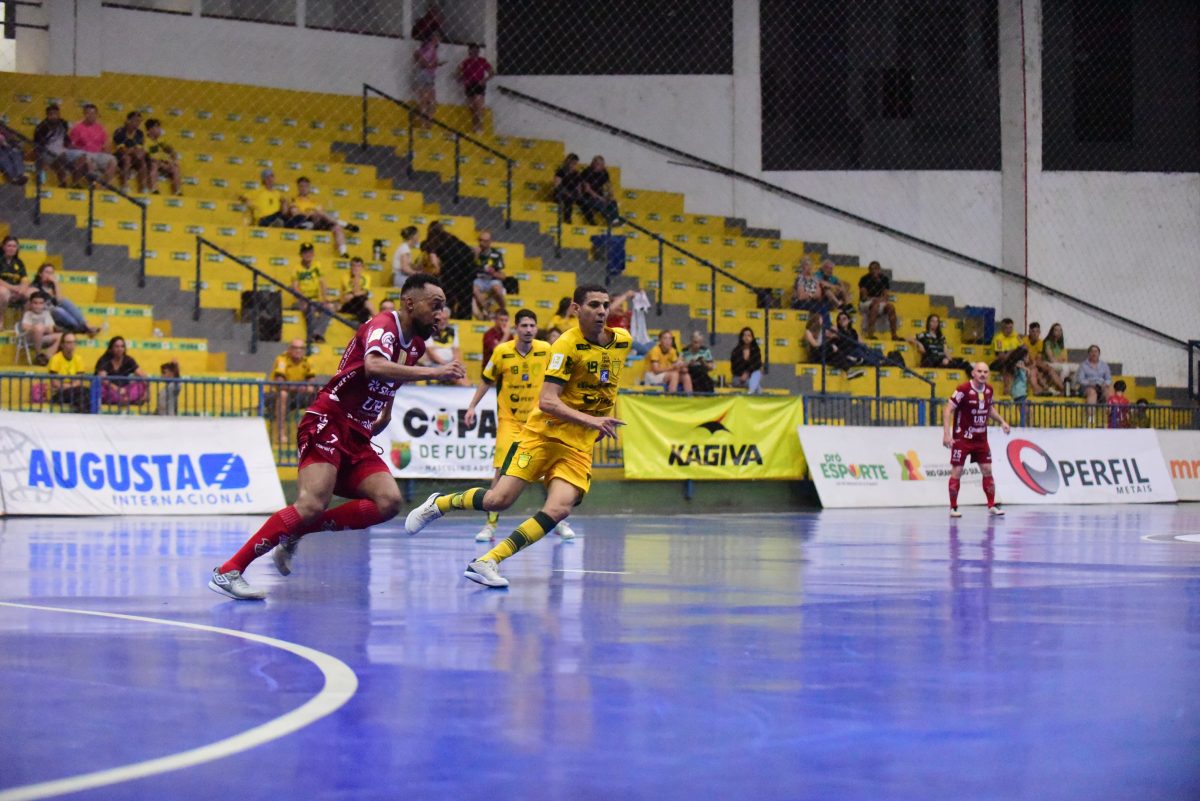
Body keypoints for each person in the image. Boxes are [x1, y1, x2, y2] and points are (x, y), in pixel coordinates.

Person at [209, 274, 465, 600]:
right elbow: (374, 366)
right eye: (436, 306)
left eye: (444, 309)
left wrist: (384, 411)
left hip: (358, 433)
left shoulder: (415, 345)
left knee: (388, 502)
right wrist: (436, 372)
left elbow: (388, 380)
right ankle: (229, 570)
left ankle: (295, 531)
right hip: (329, 420)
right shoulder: (384, 325)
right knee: (312, 504)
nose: (441, 315)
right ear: (410, 303)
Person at [404, 285, 628, 588]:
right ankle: (440, 504)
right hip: (542, 434)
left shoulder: (621, 342)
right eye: (593, 305)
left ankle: (488, 560)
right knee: (499, 499)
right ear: (576, 310)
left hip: (578, 445)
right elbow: (548, 400)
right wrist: (593, 420)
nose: (601, 311)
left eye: (605, 305)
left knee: (560, 508)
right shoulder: (565, 346)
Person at [464, 309, 575, 543]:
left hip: (538, 421)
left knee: (552, 469)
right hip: (510, 421)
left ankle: (558, 519)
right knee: (501, 471)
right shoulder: (502, 352)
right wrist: (472, 406)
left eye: (532, 326)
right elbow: (486, 381)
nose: (528, 330)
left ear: (536, 328)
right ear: (515, 329)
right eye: (523, 326)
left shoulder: (546, 350)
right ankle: (490, 525)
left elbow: (562, 377)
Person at [943, 362, 1011, 517]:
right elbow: (948, 409)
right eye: (979, 371)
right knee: (957, 471)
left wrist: (1002, 422)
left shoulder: (989, 390)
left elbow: (989, 408)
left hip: (981, 439)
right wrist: (947, 434)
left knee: (987, 470)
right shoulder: (963, 390)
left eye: (985, 372)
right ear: (973, 373)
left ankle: (991, 505)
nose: (982, 374)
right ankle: (953, 508)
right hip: (963, 438)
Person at [266, 338, 318, 449]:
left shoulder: (307, 361)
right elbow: (281, 384)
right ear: (289, 349)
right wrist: (302, 387)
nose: (298, 351)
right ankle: (281, 433)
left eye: (301, 348)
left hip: (296, 395)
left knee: (316, 395)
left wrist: (308, 388)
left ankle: (309, 433)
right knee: (283, 394)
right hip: (274, 396)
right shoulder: (282, 360)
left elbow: (312, 383)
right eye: (295, 348)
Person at [289, 176, 357, 257]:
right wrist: (310, 213)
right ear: (298, 187)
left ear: (309, 187)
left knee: (337, 228)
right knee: (318, 212)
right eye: (301, 186)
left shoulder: (314, 201)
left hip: (319, 222)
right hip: (306, 222)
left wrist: (314, 212)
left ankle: (343, 253)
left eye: (306, 186)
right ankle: (346, 224)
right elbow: (294, 213)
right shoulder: (294, 200)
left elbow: (323, 214)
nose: (304, 188)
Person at [423, 220, 475, 318]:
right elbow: (470, 251)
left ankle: (446, 315)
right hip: (468, 265)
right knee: (465, 298)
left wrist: (435, 273)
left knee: (448, 293)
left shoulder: (432, 241)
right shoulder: (450, 237)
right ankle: (464, 319)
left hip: (452, 267)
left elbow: (434, 262)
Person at [32, 262, 100, 335]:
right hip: (46, 313)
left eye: (51, 273)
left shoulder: (53, 286)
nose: (49, 275)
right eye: (47, 272)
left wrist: (56, 283)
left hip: (59, 315)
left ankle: (86, 325)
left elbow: (59, 300)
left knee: (65, 301)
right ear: (40, 274)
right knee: (58, 310)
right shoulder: (35, 287)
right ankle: (82, 329)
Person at [291, 243, 335, 343]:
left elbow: (323, 283)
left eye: (310, 252)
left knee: (330, 308)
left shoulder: (317, 265)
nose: (308, 255)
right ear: (301, 254)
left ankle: (317, 333)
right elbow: (295, 287)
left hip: (315, 299)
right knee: (309, 307)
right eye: (305, 253)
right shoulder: (296, 268)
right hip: (301, 300)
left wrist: (325, 298)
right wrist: (302, 298)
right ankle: (313, 336)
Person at [67, 104, 118, 185]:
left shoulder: (100, 128)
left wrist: (106, 152)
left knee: (112, 160)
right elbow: (71, 145)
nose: (91, 116)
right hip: (83, 153)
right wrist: (83, 150)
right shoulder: (77, 128)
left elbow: (105, 145)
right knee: (87, 159)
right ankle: (89, 185)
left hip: (98, 154)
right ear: (84, 114)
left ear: (97, 115)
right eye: (88, 113)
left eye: (93, 113)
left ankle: (106, 187)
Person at [33, 104, 82, 187]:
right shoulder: (41, 127)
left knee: (81, 155)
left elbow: (65, 138)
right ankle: (62, 183)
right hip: (47, 152)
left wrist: (72, 146)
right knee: (59, 162)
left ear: (59, 114)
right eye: (51, 114)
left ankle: (75, 184)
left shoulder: (63, 124)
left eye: (56, 114)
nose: (54, 116)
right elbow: (37, 145)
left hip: (62, 150)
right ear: (47, 115)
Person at [95, 335, 148, 406]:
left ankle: (125, 399)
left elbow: (143, 375)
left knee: (140, 385)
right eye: (116, 346)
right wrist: (117, 389)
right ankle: (125, 399)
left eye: (122, 346)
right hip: (111, 389)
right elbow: (103, 379)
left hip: (125, 390)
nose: (120, 349)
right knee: (101, 388)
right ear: (111, 348)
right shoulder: (104, 360)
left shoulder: (128, 360)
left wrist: (146, 392)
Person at [46, 332, 90, 414]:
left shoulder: (78, 359)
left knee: (86, 392)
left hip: (74, 391)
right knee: (83, 392)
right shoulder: (55, 359)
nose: (71, 345)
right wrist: (72, 386)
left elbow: (79, 381)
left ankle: (81, 412)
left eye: (73, 342)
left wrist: (69, 386)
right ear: (62, 344)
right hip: (58, 393)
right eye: (69, 342)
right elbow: (55, 383)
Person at [457, 44, 495, 133]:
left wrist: (484, 80)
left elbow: (492, 73)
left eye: (477, 51)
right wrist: (462, 78)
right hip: (469, 85)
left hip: (478, 84)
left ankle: (480, 128)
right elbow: (458, 76)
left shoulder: (482, 61)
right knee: (472, 108)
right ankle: (475, 128)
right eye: (473, 50)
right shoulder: (465, 62)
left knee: (478, 106)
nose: (475, 52)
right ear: (469, 51)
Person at [421, 318, 471, 386]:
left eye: (445, 319)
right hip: (434, 365)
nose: (442, 321)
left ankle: (468, 388)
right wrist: (447, 365)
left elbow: (456, 352)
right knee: (455, 374)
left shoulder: (452, 331)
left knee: (460, 371)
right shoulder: (430, 330)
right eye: (440, 320)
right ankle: (468, 390)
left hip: (449, 364)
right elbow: (431, 354)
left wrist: (455, 364)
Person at [412, 30, 446, 129]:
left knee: (430, 101)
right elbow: (423, 62)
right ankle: (425, 125)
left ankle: (427, 124)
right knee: (427, 100)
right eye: (437, 37)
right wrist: (436, 64)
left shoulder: (429, 47)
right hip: (425, 74)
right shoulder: (430, 47)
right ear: (433, 38)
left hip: (427, 75)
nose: (438, 40)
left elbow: (419, 57)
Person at [858, 260, 899, 341]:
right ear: (869, 270)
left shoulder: (884, 279)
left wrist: (878, 300)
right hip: (865, 303)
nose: (874, 271)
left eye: (876, 269)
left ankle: (894, 335)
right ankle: (870, 334)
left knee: (891, 307)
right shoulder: (864, 279)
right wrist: (875, 299)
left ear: (879, 270)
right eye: (872, 269)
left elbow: (886, 297)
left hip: (879, 301)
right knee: (875, 306)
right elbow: (864, 297)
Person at [20, 291, 61, 366]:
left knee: (62, 336)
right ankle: (38, 355)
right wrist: (38, 328)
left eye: (40, 303)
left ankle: (46, 356)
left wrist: (42, 328)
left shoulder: (46, 313)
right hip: (31, 339)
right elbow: (24, 326)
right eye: (35, 303)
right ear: (31, 304)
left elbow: (51, 329)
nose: (38, 306)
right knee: (39, 328)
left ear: (44, 304)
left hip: (43, 338)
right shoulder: (28, 314)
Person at [472, 229, 507, 318]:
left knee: (496, 288)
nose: (481, 243)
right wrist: (475, 256)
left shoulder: (496, 254)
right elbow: (468, 270)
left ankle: (504, 310)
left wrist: (493, 273)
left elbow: (503, 276)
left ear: (490, 242)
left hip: (492, 279)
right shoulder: (474, 252)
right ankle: (487, 310)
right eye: (480, 240)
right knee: (473, 288)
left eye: (485, 241)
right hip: (479, 279)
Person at [644, 330, 690, 394]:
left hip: (665, 374)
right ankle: (671, 399)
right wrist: (672, 367)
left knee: (686, 376)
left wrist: (683, 366)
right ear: (660, 340)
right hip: (652, 375)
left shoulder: (672, 351)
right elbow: (656, 370)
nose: (668, 341)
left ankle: (689, 399)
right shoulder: (655, 350)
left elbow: (676, 367)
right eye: (665, 338)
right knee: (674, 375)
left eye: (670, 338)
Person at [112, 111, 148, 193]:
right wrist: (133, 150)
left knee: (142, 161)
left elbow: (140, 150)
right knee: (127, 158)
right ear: (128, 121)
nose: (138, 123)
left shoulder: (140, 133)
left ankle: (143, 187)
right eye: (135, 120)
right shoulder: (119, 131)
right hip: (120, 156)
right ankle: (124, 185)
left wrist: (133, 150)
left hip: (134, 156)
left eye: (139, 121)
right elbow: (121, 150)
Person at [143, 118, 182, 195]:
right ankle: (154, 189)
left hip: (164, 163)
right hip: (154, 163)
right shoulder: (146, 141)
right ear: (150, 129)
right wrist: (160, 162)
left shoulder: (162, 140)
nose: (160, 129)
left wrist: (173, 160)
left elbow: (171, 151)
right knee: (154, 165)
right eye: (157, 127)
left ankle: (177, 191)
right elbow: (147, 156)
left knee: (175, 168)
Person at [989, 318, 1027, 396]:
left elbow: (1024, 349)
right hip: (998, 362)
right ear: (1002, 328)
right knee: (1007, 364)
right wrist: (1012, 351)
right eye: (1007, 328)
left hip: (1014, 360)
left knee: (1019, 358)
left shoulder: (1015, 335)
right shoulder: (998, 338)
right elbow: (1002, 357)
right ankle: (1007, 389)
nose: (1009, 330)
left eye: (1011, 328)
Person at [578, 156, 620, 224]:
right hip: (588, 196)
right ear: (593, 163)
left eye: (602, 164)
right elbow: (587, 190)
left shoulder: (604, 172)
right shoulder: (586, 172)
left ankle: (615, 220)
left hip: (600, 195)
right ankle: (611, 219)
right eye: (598, 164)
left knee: (613, 202)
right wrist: (600, 198)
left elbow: (609, 185)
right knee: (600, 203)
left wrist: (610, 195)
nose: (600, 166)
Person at [0, 235, 35, 309]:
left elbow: (25, 280)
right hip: (4, 289)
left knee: (33, 293)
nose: (12, 248)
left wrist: (21, 291)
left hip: (16, 290)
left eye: (14, 246)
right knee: (3, 292)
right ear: (3, 247)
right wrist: (13, 288)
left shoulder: (19, 262)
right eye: (9, 246)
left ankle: (25, 319)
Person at [1076, 345, 1113, 415]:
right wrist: (1090, 383)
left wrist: (1105, 384)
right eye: (1092, 351)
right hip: (1088, 387)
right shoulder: (1083, 365)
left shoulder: (1104, 365)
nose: (1094, 353)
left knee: (1109, 390)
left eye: (1096, 351)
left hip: (1101, 386)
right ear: (1089, 354)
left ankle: (1111, 414)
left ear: (1099, 354)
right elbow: (1080, 380)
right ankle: (1091, 417)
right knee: (1092, 392)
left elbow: (1109, 379)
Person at [339, 256, 374, 324]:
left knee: (365, 306)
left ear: (362, 267)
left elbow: (362, 293)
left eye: (358, 266)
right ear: (350, 267)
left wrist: (356, 277)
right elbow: (353, 294)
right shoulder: (345, 277)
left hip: (360, 304)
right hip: (348, 304)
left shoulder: (367, 277)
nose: (355, 268)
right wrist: (356, 278)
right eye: (353, 265)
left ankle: (362, 327)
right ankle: (379, 321)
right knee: (365, 303)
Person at [1041, 322, 1073, 393]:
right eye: (1056, 330)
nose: (1058, 332)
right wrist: (1059, 361)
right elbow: (1051, 358)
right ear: (1052, 331)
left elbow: (1062, 359)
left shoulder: (1059, 344)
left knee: (1074, 368)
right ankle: (1061, 387)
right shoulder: (1048, 342)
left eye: (1060, 330)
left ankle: (1071, 388)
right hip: (1048, 363)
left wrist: (1060, 360)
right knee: (1065, 368)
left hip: (1057, 364)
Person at [552, 153, 584, 224]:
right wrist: (567, 193)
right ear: (568, 162)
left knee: (584, 201)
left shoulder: (576, 173)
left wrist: (580, 195)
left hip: (572, 193)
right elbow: (557, 185)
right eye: (572, 163)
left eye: (575, 163)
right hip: (561, 193)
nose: (574, 165)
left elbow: (578, 187)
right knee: (568, 200)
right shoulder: (560, 172)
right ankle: (567, 220)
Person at [730, 327, 763, 394]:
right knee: (757, 388)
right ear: (741, 337)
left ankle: (750, 394)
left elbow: (757, 364)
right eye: (744, 335)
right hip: (738, 378)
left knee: (756, 383)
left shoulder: (755, 350)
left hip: (752, 377)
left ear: (752, 338)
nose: (746, 337)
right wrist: (742, 375)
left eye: (749, 335)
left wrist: (747, 373)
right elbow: (734, 368)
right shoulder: (736, 351)